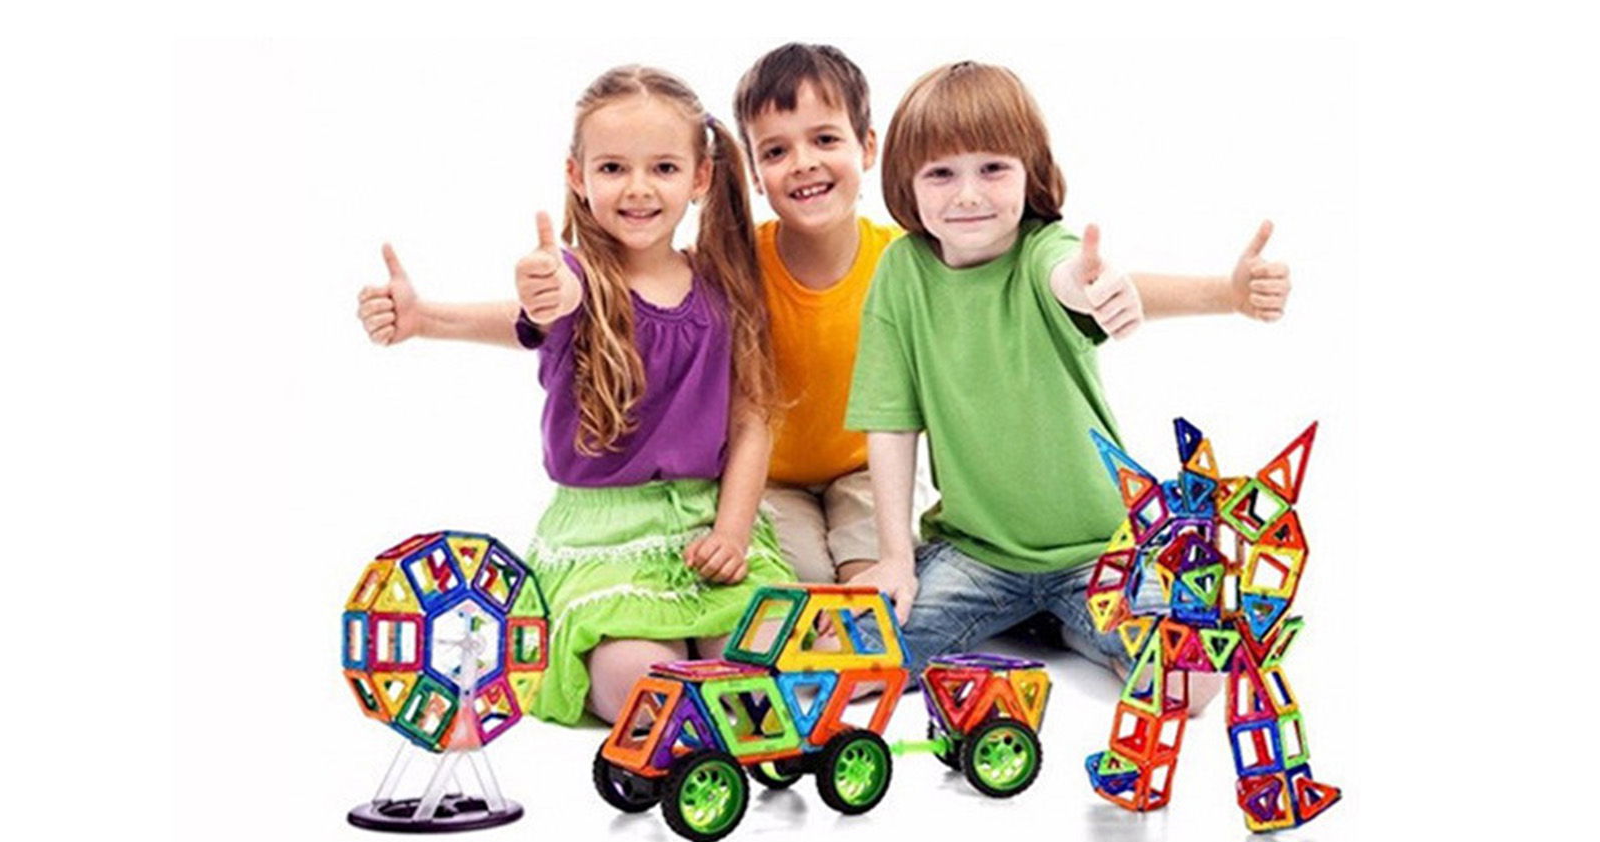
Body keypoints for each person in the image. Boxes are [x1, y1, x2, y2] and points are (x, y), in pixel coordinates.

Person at [846, 61, 1290, 708]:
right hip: (976, 555)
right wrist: (894, 557)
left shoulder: (1044, 249)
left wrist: (1127, 290)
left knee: (1191, 686)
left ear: (1031, 174)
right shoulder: (901, 273)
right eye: (941, 173)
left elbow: (1071, 279)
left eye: (992, 168)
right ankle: (1038, 616)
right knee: (851, 665)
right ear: (906, 184)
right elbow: (890, 422)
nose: (967, 194)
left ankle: (1065, 621)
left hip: (1100, 553)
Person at [356, 66, 793, 723]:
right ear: (577, 177)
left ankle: (723, 704)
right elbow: (543, 309)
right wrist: (436, 317)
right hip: (604, 540)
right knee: (639, 682)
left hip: (706, 523)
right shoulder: (575, 278)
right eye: (613, 168)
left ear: (701, 177)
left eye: (664, 168)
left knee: (773, 654)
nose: (638, 188)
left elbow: (753, 419)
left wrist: (732, 532)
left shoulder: (722, 284)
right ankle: (669, 706)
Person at [731, 43, 899, 586]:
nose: (803, 162)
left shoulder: (901, 261)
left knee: (870, 585)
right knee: (804, 584)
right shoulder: (737, 264)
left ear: (866, 146)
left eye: (825, 139)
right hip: (771, 479)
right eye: (776, 151)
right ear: (755, 174)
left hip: (869, 468)